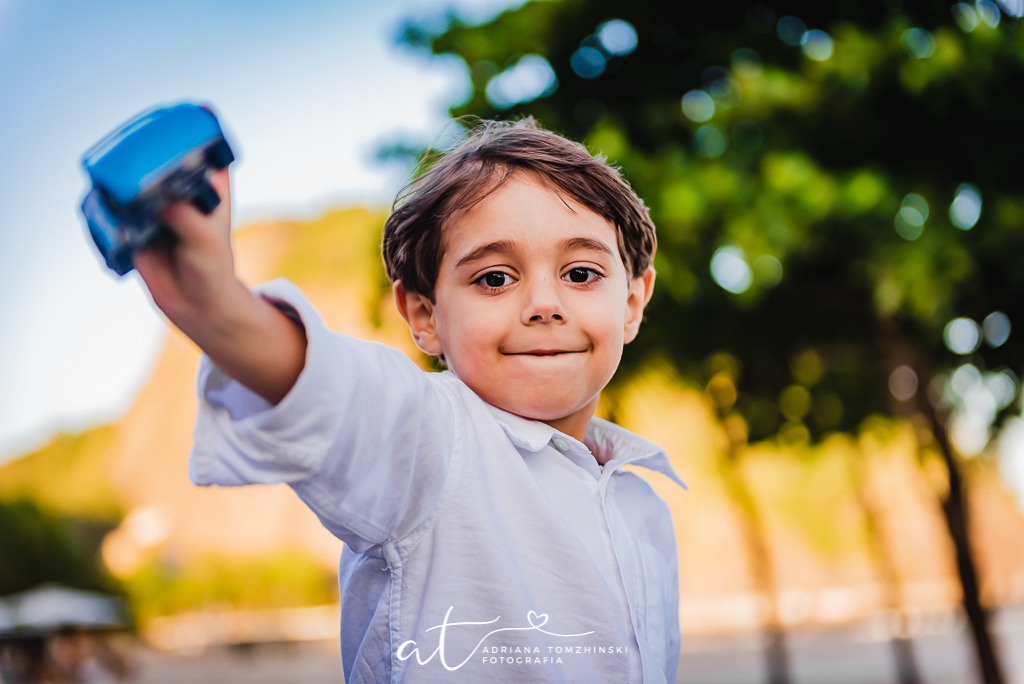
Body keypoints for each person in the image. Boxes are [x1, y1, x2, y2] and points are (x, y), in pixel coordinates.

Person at [135, 118, 686, 683]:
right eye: (495, 279)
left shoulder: (645, 509)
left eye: (581, 273)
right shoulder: (434, 443)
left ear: (632, 304)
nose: (545, 304)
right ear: (424, 315)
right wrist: (218, 308)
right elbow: (338, 392)